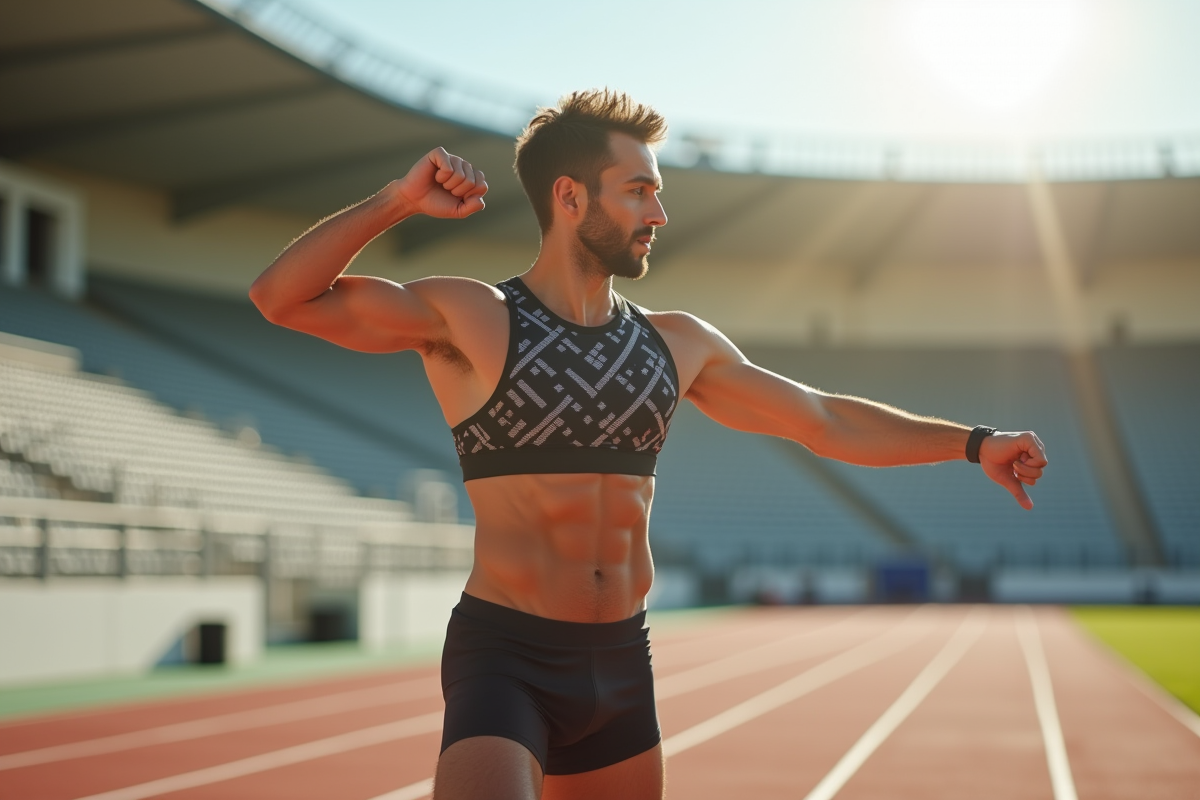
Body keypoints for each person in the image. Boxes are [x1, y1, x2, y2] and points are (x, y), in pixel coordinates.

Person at [249, 89, 1047, 800]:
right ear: (569, 197)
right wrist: (397, 200)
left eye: (657, 194)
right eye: (638, 192)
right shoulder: (473, 317)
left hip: (622, 663)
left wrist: (974, 443)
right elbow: (280, 298)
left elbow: (823, 419)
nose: (658, 215)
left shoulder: (678, 343)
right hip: (508, 657)